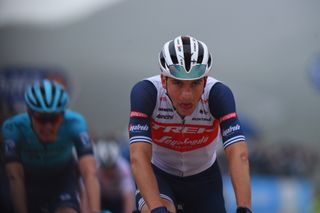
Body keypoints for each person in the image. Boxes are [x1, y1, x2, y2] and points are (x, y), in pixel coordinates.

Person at [128, 35, 252, 213]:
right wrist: (156, 209)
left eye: (195, 84)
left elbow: (238, 154)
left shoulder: (218, 95)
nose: (186, 95)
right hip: (159, 174)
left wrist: (244, 208)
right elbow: (138, 156)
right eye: (178, 83)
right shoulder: (146, 92)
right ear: (164, 80)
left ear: (205, 80)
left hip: (204, 180)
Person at [2, 79, 101, 213]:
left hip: (61, 178)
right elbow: (15, 176)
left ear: (63, 115)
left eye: (54, 119)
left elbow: (89, 172)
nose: (48, 126)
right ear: (29, 114)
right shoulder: (14, 127)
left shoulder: (75, 123)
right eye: (41, 119)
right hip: (26, 179)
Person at [94, 140, 135, 213]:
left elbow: (128, 197)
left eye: (112, 167)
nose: (109, 171)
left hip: (118, 200)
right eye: (105, 167)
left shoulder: (123, 168)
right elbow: (87, 195)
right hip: (102, 199)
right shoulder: (95, 168)